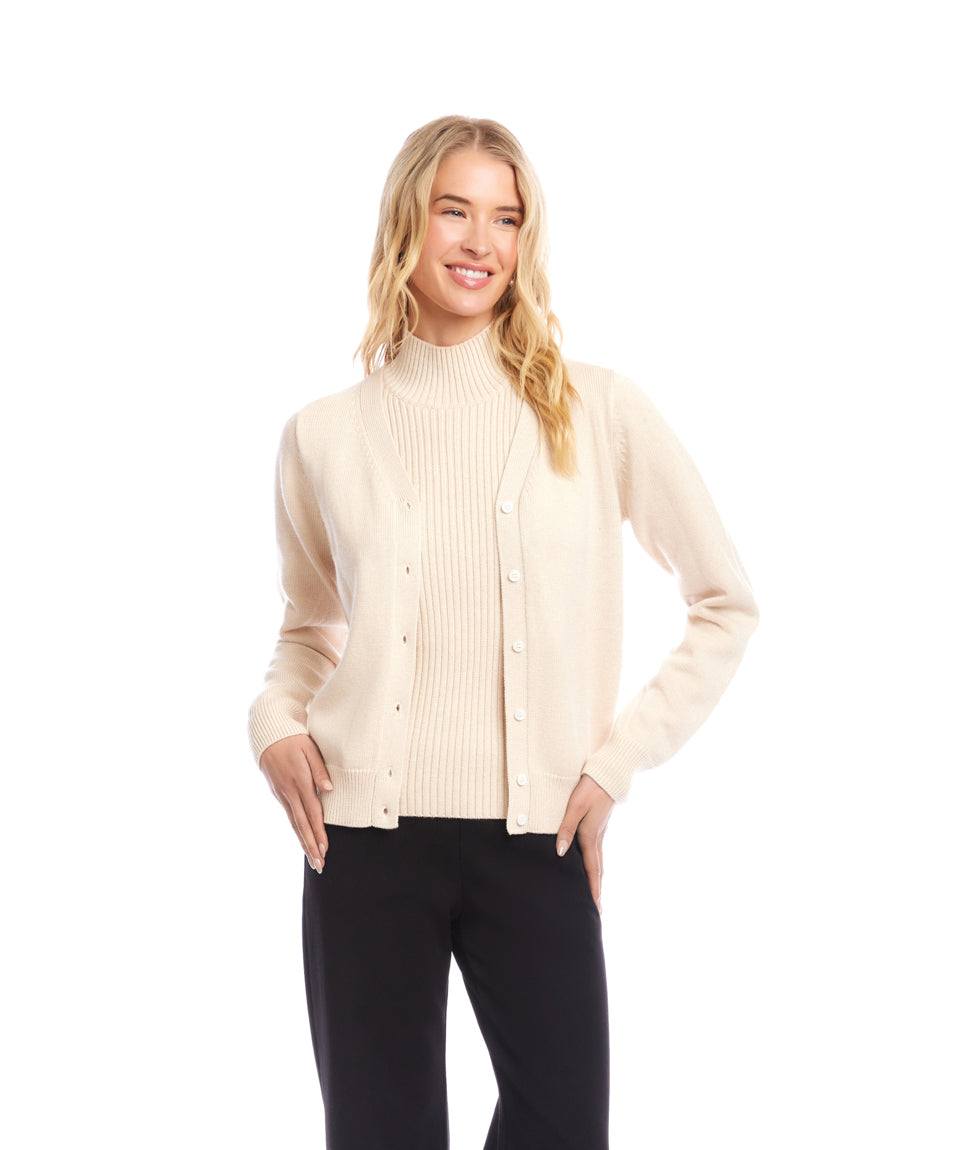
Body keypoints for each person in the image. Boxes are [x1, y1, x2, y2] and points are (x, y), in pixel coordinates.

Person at [247, 115, 759, 1150]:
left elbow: (725, 601)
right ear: (407, 222)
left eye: (507, 218)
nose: (480, 242)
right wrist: (273, 721)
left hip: (537, 836)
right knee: (378, 1134)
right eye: (455, 211)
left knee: (561, 1123)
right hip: (361, 842)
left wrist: (613, 763)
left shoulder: (595, 410)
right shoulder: (322, 434)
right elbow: (309, 626)